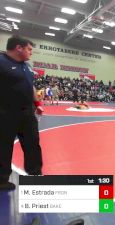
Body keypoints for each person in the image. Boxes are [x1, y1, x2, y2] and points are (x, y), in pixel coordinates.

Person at [0, 35, 44, 191]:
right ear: (19, 48)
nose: (31, 52)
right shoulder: (1, 62)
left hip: (27, 114)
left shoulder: (27, 66)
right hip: (5, 114)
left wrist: (37, 103)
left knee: (33, 144)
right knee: (4, 146)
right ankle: (2, 180)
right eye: (29, 49)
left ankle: (35, 174)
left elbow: (30, 85)